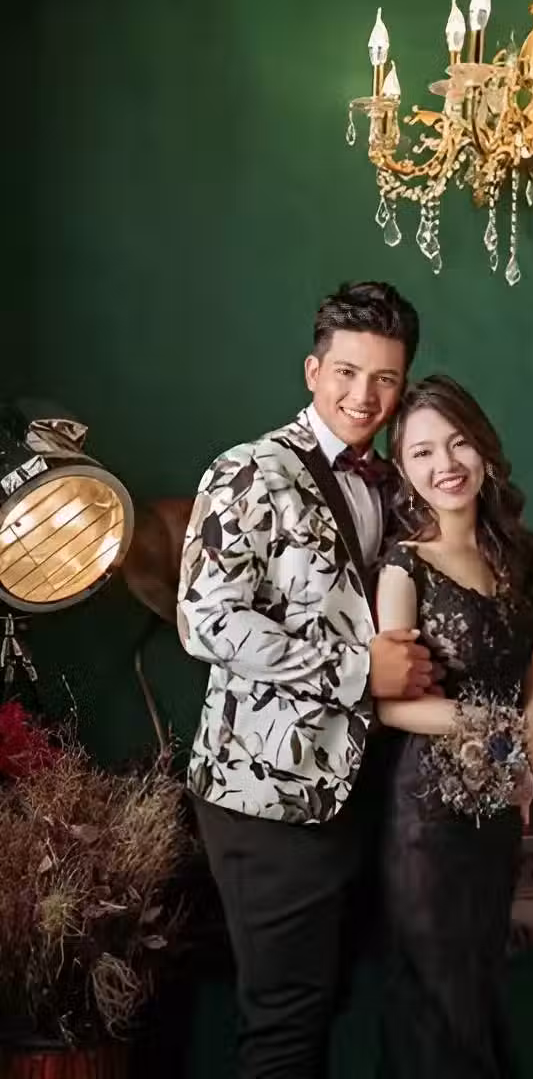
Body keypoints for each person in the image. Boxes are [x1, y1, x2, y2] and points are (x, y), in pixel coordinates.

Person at [176, 281, 438, 1079]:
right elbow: (205, 620)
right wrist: (359, 670)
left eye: (386, 379)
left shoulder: (399, 482)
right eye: (348, 373)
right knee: (285, 1024)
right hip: (267, 792)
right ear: (313, 371)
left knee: (327, 1007)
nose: (365, 396)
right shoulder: (248, 470)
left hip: (368, 788)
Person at [375, 374, 533, 1079]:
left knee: (479, 992)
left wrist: (532, 728)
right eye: (422, 452)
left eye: (457, 444)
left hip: (499, 811)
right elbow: (394, 707)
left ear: (483, 450)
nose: (444, 464)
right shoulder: (405, 566)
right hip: (428, 815)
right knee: (437, 1006)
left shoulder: (514, 558)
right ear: (403, 468)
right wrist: (498, 727)